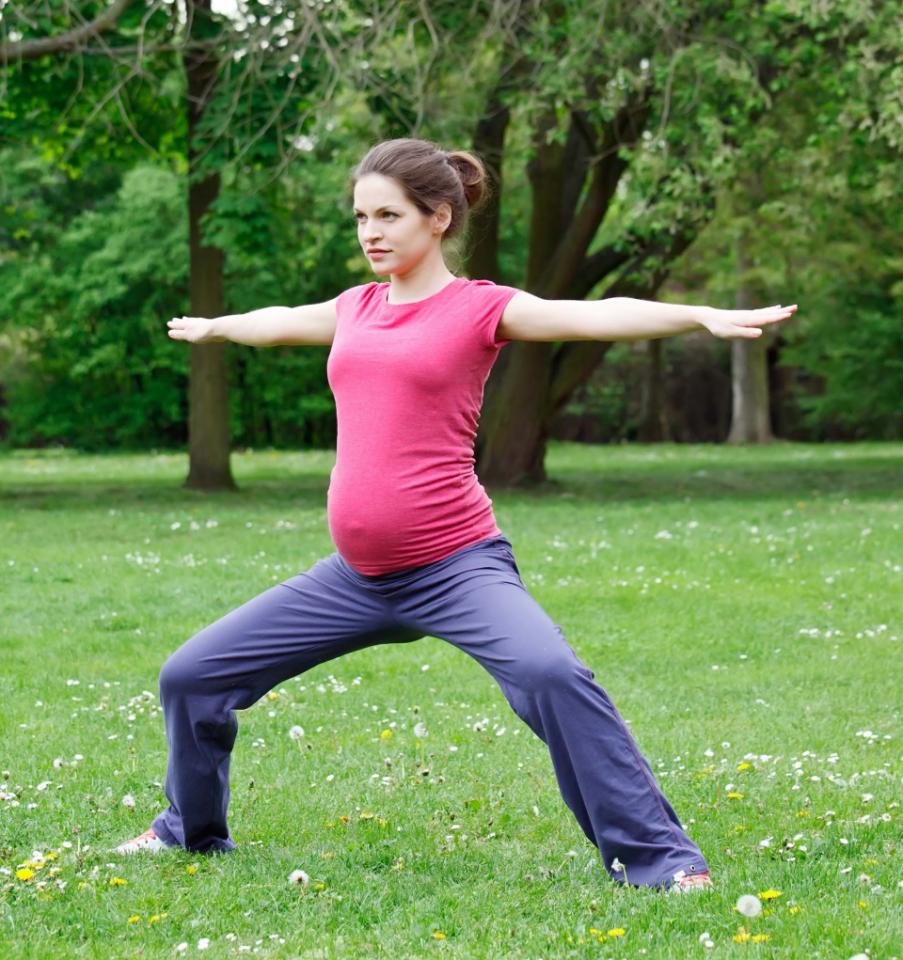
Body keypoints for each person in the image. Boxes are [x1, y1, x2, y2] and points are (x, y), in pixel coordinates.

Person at [115, 137, 796, 891]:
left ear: (438, 217)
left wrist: (698, 314)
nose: (370, 232)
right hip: (354, 578)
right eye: (360, 217)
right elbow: (278, 321)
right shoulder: (355, 308)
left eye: (388, 216)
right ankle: (188, 830)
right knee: (191, 676)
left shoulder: (480, 308)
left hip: (455, 567)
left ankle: (659, 859)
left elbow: (593, 314)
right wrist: (216, 327)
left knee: (551, 674)